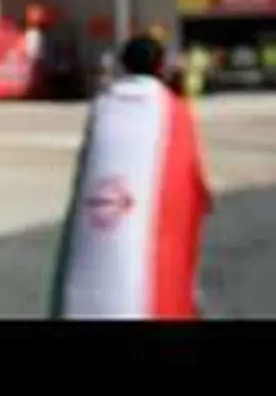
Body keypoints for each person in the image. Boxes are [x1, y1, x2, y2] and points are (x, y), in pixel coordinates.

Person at [49, 34, 213, 319]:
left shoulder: (103, 107)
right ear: (162, 67)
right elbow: (189, 182)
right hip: (144, 284)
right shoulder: (173, 111)